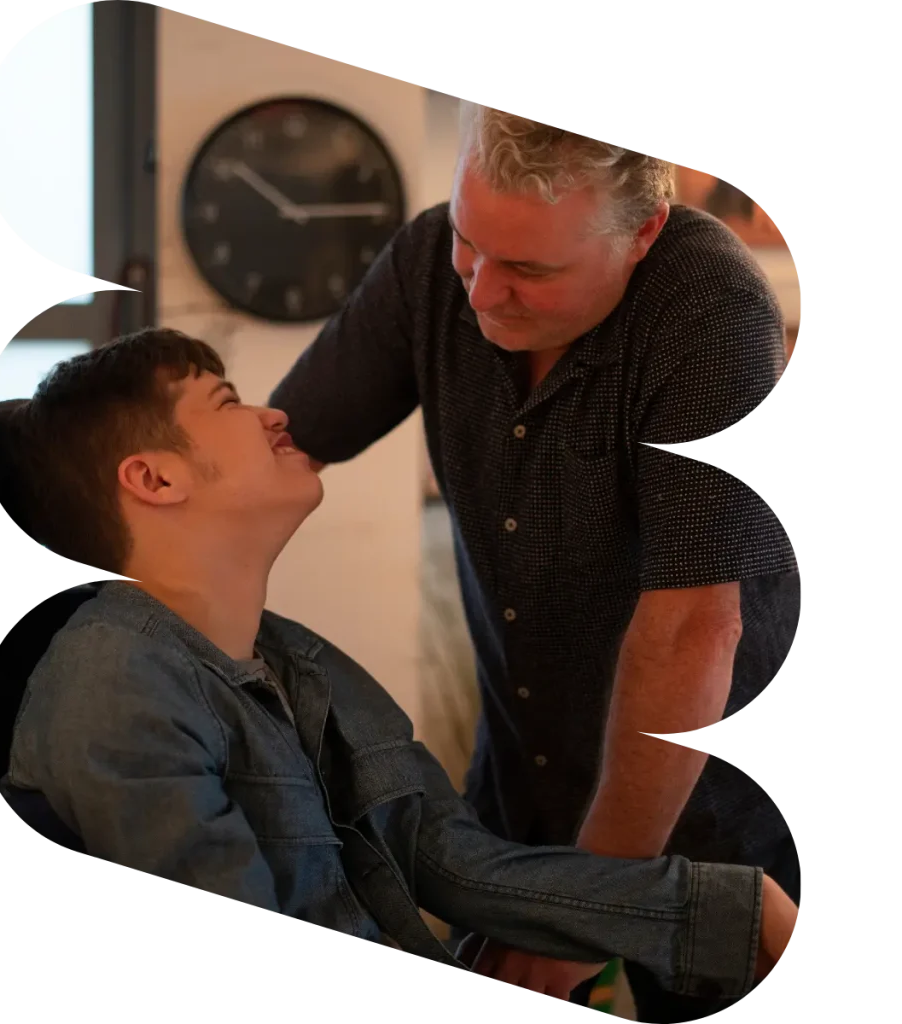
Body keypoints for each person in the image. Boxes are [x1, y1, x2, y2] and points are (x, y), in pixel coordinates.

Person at [0, 329, 799, 1006]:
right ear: (153, 478)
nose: (274, 411)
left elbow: (452, 860)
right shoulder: (113, 682)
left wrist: (729, 911)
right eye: (227, 400)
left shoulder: (296, 660)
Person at [266, 106, 805, 1019]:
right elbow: (283, 444)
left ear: (643, 235)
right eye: (472, 244)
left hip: (710, 794)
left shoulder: (711, 311)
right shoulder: (432, 260)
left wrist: (584, 906)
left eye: (529, 270)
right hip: (525, 766)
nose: (479, 292)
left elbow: (690, 631)